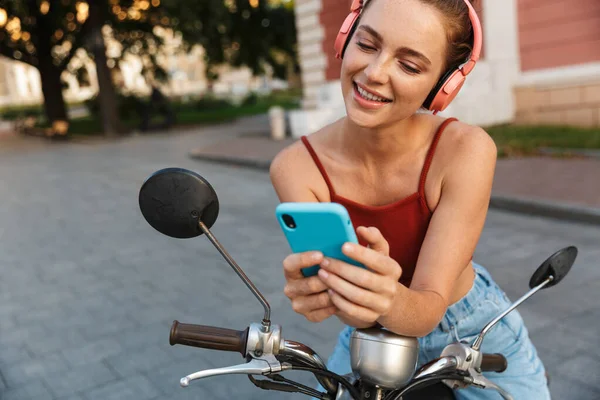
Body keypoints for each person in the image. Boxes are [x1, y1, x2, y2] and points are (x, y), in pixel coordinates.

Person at [269, 0, 550, 399]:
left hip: (472, 331)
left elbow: (427, 308)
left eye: (410, 66)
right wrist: (334, 294)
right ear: (345, 36)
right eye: (367, 44)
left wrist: (380, 294)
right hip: (369, 338)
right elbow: (354, 311)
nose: (374, 72)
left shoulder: (466, 150)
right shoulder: (295, 167)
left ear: (443, 85)